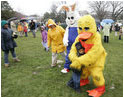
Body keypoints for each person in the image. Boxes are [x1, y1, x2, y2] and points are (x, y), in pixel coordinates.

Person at [67, 15, 107, 97]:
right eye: (80, 29)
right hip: (84, 59)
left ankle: (100, 88)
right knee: (84, 72)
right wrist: (74, 58)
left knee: (96, 74)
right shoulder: (79, 37)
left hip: (96, 61)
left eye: (86, 28)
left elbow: (93, 54)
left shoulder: (96, 38)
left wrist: (78, 61)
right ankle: (84, 80)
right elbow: (73, 49)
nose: (83, 32)